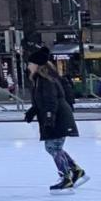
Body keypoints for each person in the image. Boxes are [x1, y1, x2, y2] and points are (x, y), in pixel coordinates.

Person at [24, 48, 86, 192]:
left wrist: (49, 120)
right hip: (58, 116)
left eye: (30, 63)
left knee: (52, 147)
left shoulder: (45, 80)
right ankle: (75, 171)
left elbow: (51, 101)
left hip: (58, 117)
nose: (28, 66)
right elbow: (43, 101)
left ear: (37, 65)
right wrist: (33, 111)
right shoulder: (42, 79)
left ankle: (67, 178)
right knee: (54, 147)